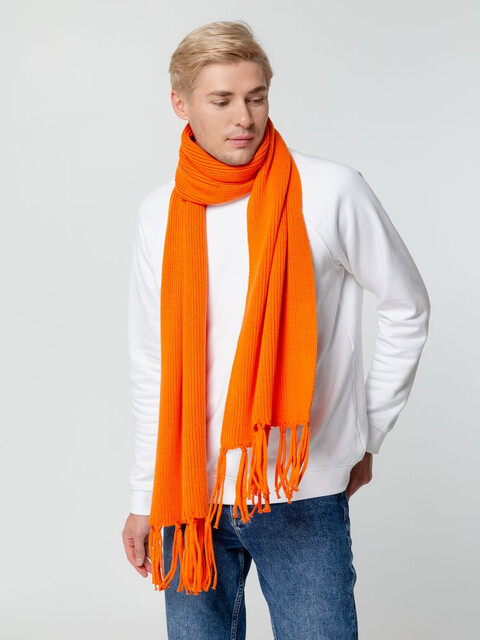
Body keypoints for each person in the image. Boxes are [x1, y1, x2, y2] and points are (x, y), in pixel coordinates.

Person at [121, 20, 431, 640]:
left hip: (301, 490)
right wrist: (144, 494)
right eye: (222, 100)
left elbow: (408, 306)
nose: (244, 118)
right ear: (180, 104)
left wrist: (368, 432)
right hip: (190, 493)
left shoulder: (329, 191)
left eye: (256, 97)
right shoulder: (160, 213)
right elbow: (153, 361)